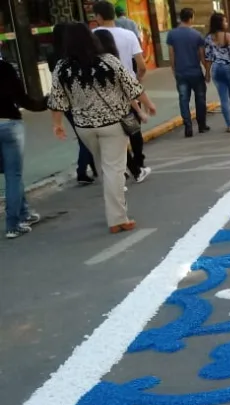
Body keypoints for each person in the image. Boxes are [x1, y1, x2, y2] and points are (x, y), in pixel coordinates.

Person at [48, 22, 156, 234]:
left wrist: (57, 124)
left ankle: (115, 211)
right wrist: (149, 104)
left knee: (103, 168)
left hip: (84, 127)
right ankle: (117, 218)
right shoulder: (108, 61)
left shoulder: (62, 67)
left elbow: (56, 99)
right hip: (113, 124)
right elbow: (132, 86)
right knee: (114, 170)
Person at [94, 0, 150, 183]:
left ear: (99, 17)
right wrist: (136, 80)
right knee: (133, 129)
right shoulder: (128, 35)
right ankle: (138, 163)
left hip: (103, 92)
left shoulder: (92, 36)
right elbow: (141, 65)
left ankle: (123, 166)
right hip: (129, 90)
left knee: (113, 132)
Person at [1, 53, 46, 239]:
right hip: (8, 123)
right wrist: (44, 103)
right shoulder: (5, 68)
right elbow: (21, 98)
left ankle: (24, 212)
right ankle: (13, 224)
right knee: (13, 174)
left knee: (9, 172)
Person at [47, 22, 97, 184]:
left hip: (64, 100)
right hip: (78, 98)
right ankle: (82, 170)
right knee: (86, 135)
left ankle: (92, 167)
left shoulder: (51, 55)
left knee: (82, 133)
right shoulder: (70, 54)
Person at [166, 7, 208, 138]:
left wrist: (173, 69)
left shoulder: (172, 34)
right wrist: (207, 71)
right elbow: (202, 55)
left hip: (181, 72)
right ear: (191, 18)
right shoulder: (197, 35)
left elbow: (171, 54)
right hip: (195, 71)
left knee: (184, 100)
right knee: (200, 98)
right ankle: (201, 125)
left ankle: (188, 127)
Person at [203, 12, 230, 132]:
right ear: (220, 23)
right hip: (228, 67)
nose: (226, 23)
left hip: (216, 68)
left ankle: (229, 125)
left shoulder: (209, 38)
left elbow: (208, 57)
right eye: (224, 21)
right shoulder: (227, 36)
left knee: (223, 98)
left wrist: (207, 73)